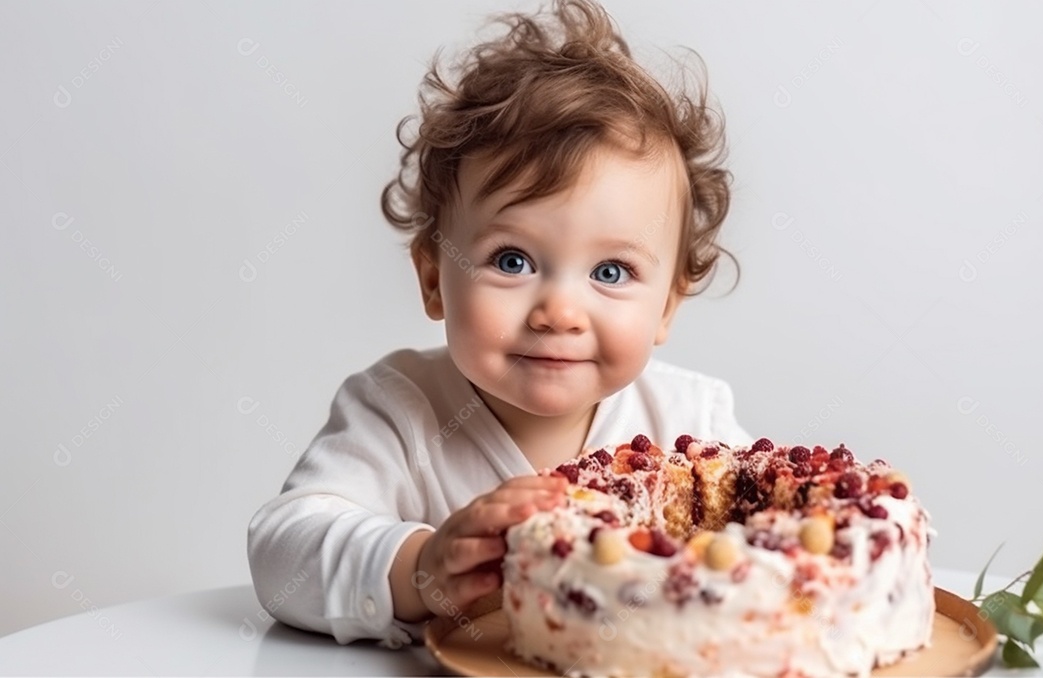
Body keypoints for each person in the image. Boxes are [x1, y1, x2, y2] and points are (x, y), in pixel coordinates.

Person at [247, 0, 752, 648]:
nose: (560, 313)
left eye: (611, 272)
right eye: (512, 261)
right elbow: (281, 552)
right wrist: (417, 570)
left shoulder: (693, 427)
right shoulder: (400, 411)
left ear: (668, 307)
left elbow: (769, 559)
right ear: (434, 278)